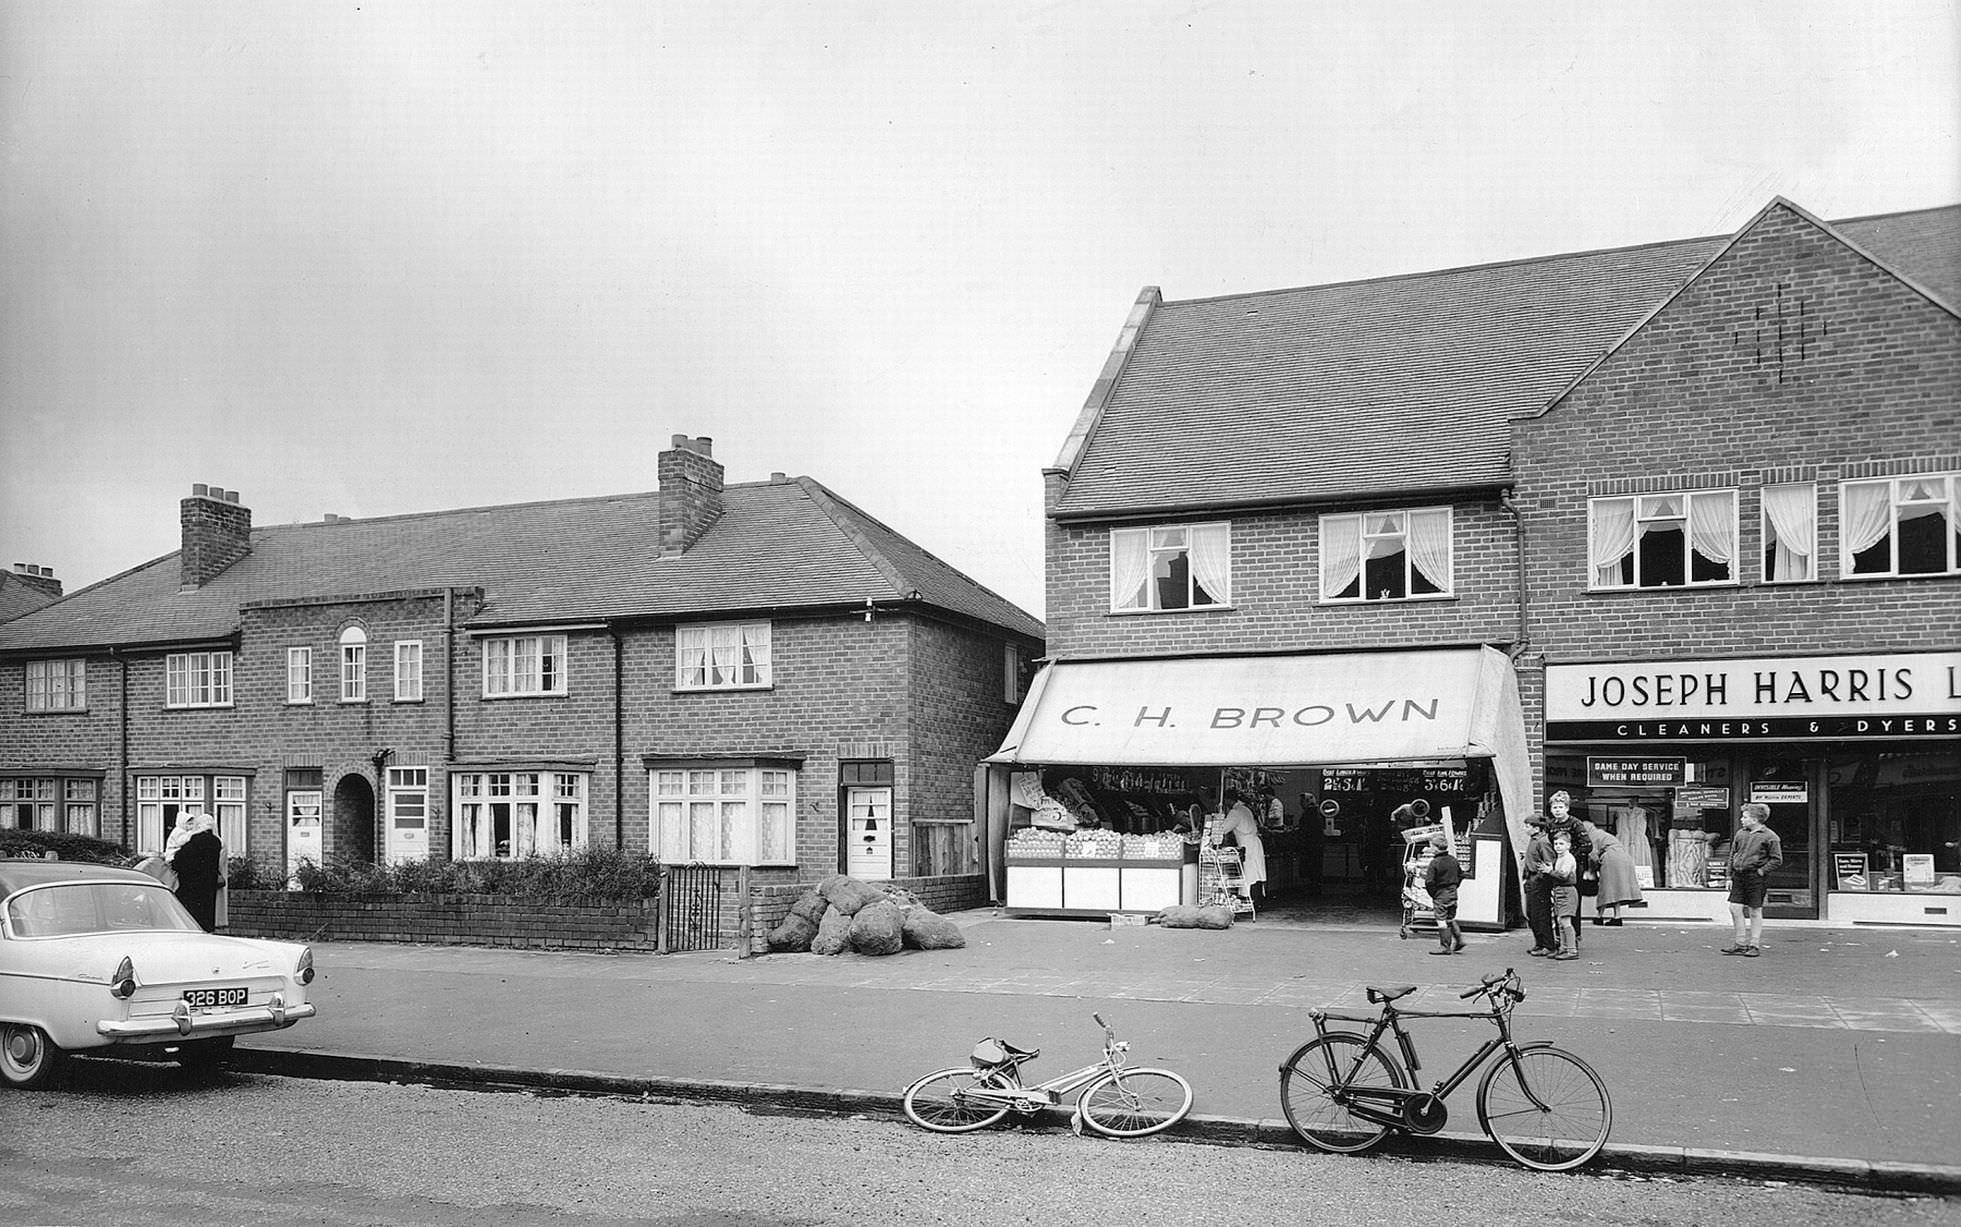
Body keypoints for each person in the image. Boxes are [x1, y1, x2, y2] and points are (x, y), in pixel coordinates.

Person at [1723, 802, 1783, 957]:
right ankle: (1740, 943)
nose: (1741, 819)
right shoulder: (1740, 834)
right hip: (1739, 875)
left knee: (1755, 910)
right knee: (1734, 908)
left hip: (1755, 877)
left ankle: (1754, 944)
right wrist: (1729, 876)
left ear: (1755, 819)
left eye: (1745, 817)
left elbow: (1777, 859)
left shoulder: (1770, 837)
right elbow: (1732, 854)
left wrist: (1761, 871)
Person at [1580, 818, 1645, 925]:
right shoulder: (1602, 834)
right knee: (1615, 890)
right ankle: (1616, 917)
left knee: (1606, 888)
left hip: (1611, 858)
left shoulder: (1591, 837)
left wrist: (1591, 871)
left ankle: (1600, 916)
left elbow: (1593, 856)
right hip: (1625, 858)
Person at [169, 810, 224, 933]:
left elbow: (179, 861)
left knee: (190, 916)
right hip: (209, 884)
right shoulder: (216, 842)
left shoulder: (194, 840)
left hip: (190, 885)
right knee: (206, 914)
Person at [1209, 790, 1267, 902]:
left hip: (1247, 845)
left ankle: (1250, 899)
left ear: (1228, 800)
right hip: (1253, 843)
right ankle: (1256, 900)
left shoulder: (1235, 812)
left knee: (1250, 874)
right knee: (1256, 873)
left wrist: (1212, 832)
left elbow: (1223, 829)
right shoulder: (1245, 809)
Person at [1422, 833, 1465, 955]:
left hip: (1441, 893)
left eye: (1431, 846)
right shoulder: (1453, 860)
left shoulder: (1435, 863)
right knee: (1450, 918)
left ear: (1435, 848)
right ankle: (1459, 939)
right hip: (1453, 892)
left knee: (1441, 919)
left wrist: (1434, 894)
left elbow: (1429, 881)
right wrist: (1455, 886)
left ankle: (1445, 946)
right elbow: (1461, 875)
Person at [1521, 814, 1557, 957]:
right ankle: (1539, 943)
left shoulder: (1543, 842)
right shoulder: (1534, 840)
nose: (1525, 829)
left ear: (1536, 828)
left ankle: (1548, 945)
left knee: (1541, 914)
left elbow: (1549, 862)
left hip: (1539, 882)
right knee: (1532, 914)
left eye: (1527, 826)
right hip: (1532, 879)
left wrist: (1539, 877)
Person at [1548, 828, 1580, 961]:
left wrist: (1550, 871)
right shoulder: (1560, 858)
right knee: (1560, 921)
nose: (1558, 846)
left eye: (1561, 844)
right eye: (1556, 844)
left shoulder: (1568, 858)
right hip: (1560, 891)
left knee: (1566, 921)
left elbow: (1564, 875)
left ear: (1568, 845)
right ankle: (1563, 947)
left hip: (1567, 891)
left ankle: (1571, 950)